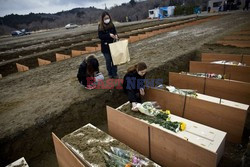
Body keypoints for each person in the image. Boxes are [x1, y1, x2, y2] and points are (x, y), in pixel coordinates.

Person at [98, 11, 119, 79]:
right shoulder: (100, 26)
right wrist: (109, 35)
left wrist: (116, 36)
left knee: (114, 60)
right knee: (108, 60)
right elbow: (100, 36)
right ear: (102, 19)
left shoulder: (112, 25)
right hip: (105, 47)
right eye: (105, 18)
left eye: (108, 18)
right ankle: (110, 73)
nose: (107, 19)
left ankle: (114, 73)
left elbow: (115, 32)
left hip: (113, 46)